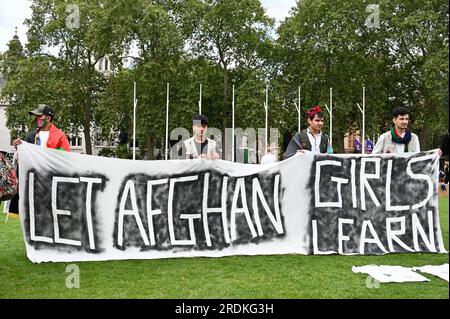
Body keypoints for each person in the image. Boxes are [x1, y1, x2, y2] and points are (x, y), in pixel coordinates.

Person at [8, 104, 70, 215]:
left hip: (50, 184)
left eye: (39, 116)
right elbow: (25, 159)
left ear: (48, 118)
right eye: (35, 117)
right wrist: (20, 147)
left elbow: (65, 159)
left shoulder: (60, 136)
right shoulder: (31, 136)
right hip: (33, 184)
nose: (36, 119)